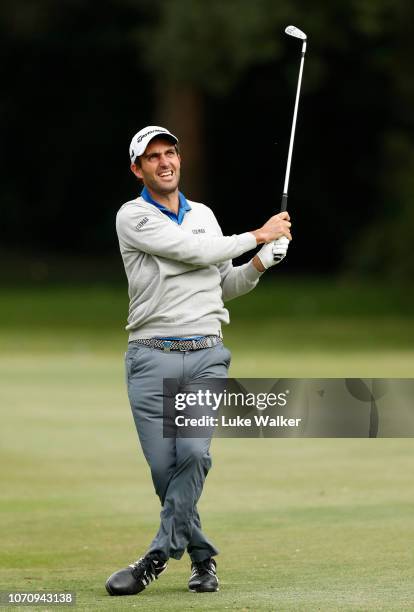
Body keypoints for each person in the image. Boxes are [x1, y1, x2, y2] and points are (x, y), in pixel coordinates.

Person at [105, 126, 292, 597]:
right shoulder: (134, 217)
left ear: (179, 159)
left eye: (171, 153)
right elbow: (192, 251)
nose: (165, 162)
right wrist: (256, 234)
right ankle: (203, 558)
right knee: (165, 473)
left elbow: (221, 283)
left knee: (194, 454)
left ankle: (155, 557)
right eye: (153, 158)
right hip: (151, 357)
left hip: (206, 355)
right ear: (138, 169)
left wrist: (261, 262)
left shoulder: (204, 215)